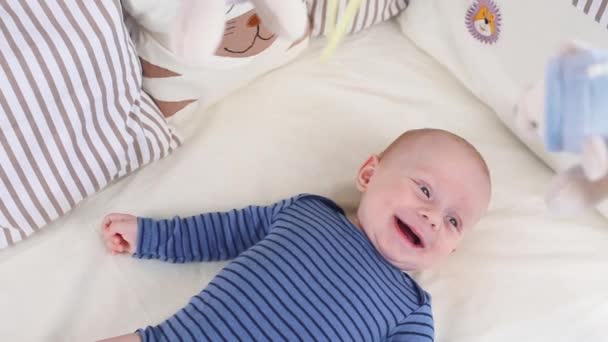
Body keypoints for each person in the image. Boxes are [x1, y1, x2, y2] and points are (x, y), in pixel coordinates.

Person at [99, 128, 491, 342]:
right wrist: (152, 235)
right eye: (425, 190)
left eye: (454, 221)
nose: (433, 218)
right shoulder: (307, 212)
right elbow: (223, 232)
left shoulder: (410, 308)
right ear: (370, 175)